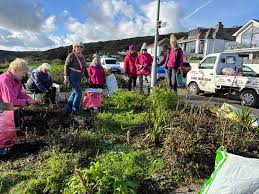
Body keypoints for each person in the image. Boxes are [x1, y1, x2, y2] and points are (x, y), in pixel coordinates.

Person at [64, 41, 88, 115]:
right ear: (74, 47)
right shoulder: (71, 55)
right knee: (79, 93)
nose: (79, 48)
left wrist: (88, 77)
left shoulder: (83, 57)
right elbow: (66, 66)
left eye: (81, 46)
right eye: (77, 46)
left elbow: (84, 68)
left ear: (82, 48)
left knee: (74, 92)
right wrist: (66, 76)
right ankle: (75, 110)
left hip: (78, 76)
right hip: (72, 75)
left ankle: (68, 108)